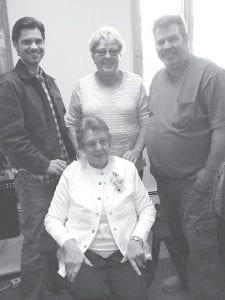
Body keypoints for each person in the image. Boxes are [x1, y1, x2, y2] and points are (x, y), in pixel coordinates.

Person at [145, 15, 225, 300]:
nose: (166, 46)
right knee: (175, 236)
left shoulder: (210, 74)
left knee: (201, 243)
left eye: (172, 39)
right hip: (163, 179)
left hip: (195, 181)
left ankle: (208, 293)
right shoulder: (156, 78)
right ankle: (185, 278)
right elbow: (153, 122)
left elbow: (221, 129)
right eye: (160, 41)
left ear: (185, 39)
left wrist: (207, 174)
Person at [0, 17, 75, 300]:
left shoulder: (48, 81)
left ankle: (53, 289)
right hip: (34, 179)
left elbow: (62, 127)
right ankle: (31, 295)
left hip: (60, 176)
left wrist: (74, 163)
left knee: (55, 235)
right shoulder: (9, 85)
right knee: (34, 240)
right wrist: (44, 163)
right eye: (27, 41)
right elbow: (11, 139)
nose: (34, 46)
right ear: (17, 46)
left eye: (38, 41)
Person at [45, 115, 156, 300]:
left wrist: (137, 239)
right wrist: (68, 244)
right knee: (91, 294)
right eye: (91, 143)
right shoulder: (71, 174)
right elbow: (52, 218)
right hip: (85, 252)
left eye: (103, 141)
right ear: (81, 148)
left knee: (135, 295)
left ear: (109, 141)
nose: (99, 147)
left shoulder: (127, 169)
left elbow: (148, 209)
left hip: (124, 250)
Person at [66, 26, 149, 177]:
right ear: (93, 56)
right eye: (101, 52)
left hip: (130, 167)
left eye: (113, 51)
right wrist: (81, 153)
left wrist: (137, 151)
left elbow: (146, 122)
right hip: (93, 167)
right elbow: (71, 125)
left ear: (120, 54)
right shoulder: (82, 86)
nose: (108, 56)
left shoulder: (136, 83)